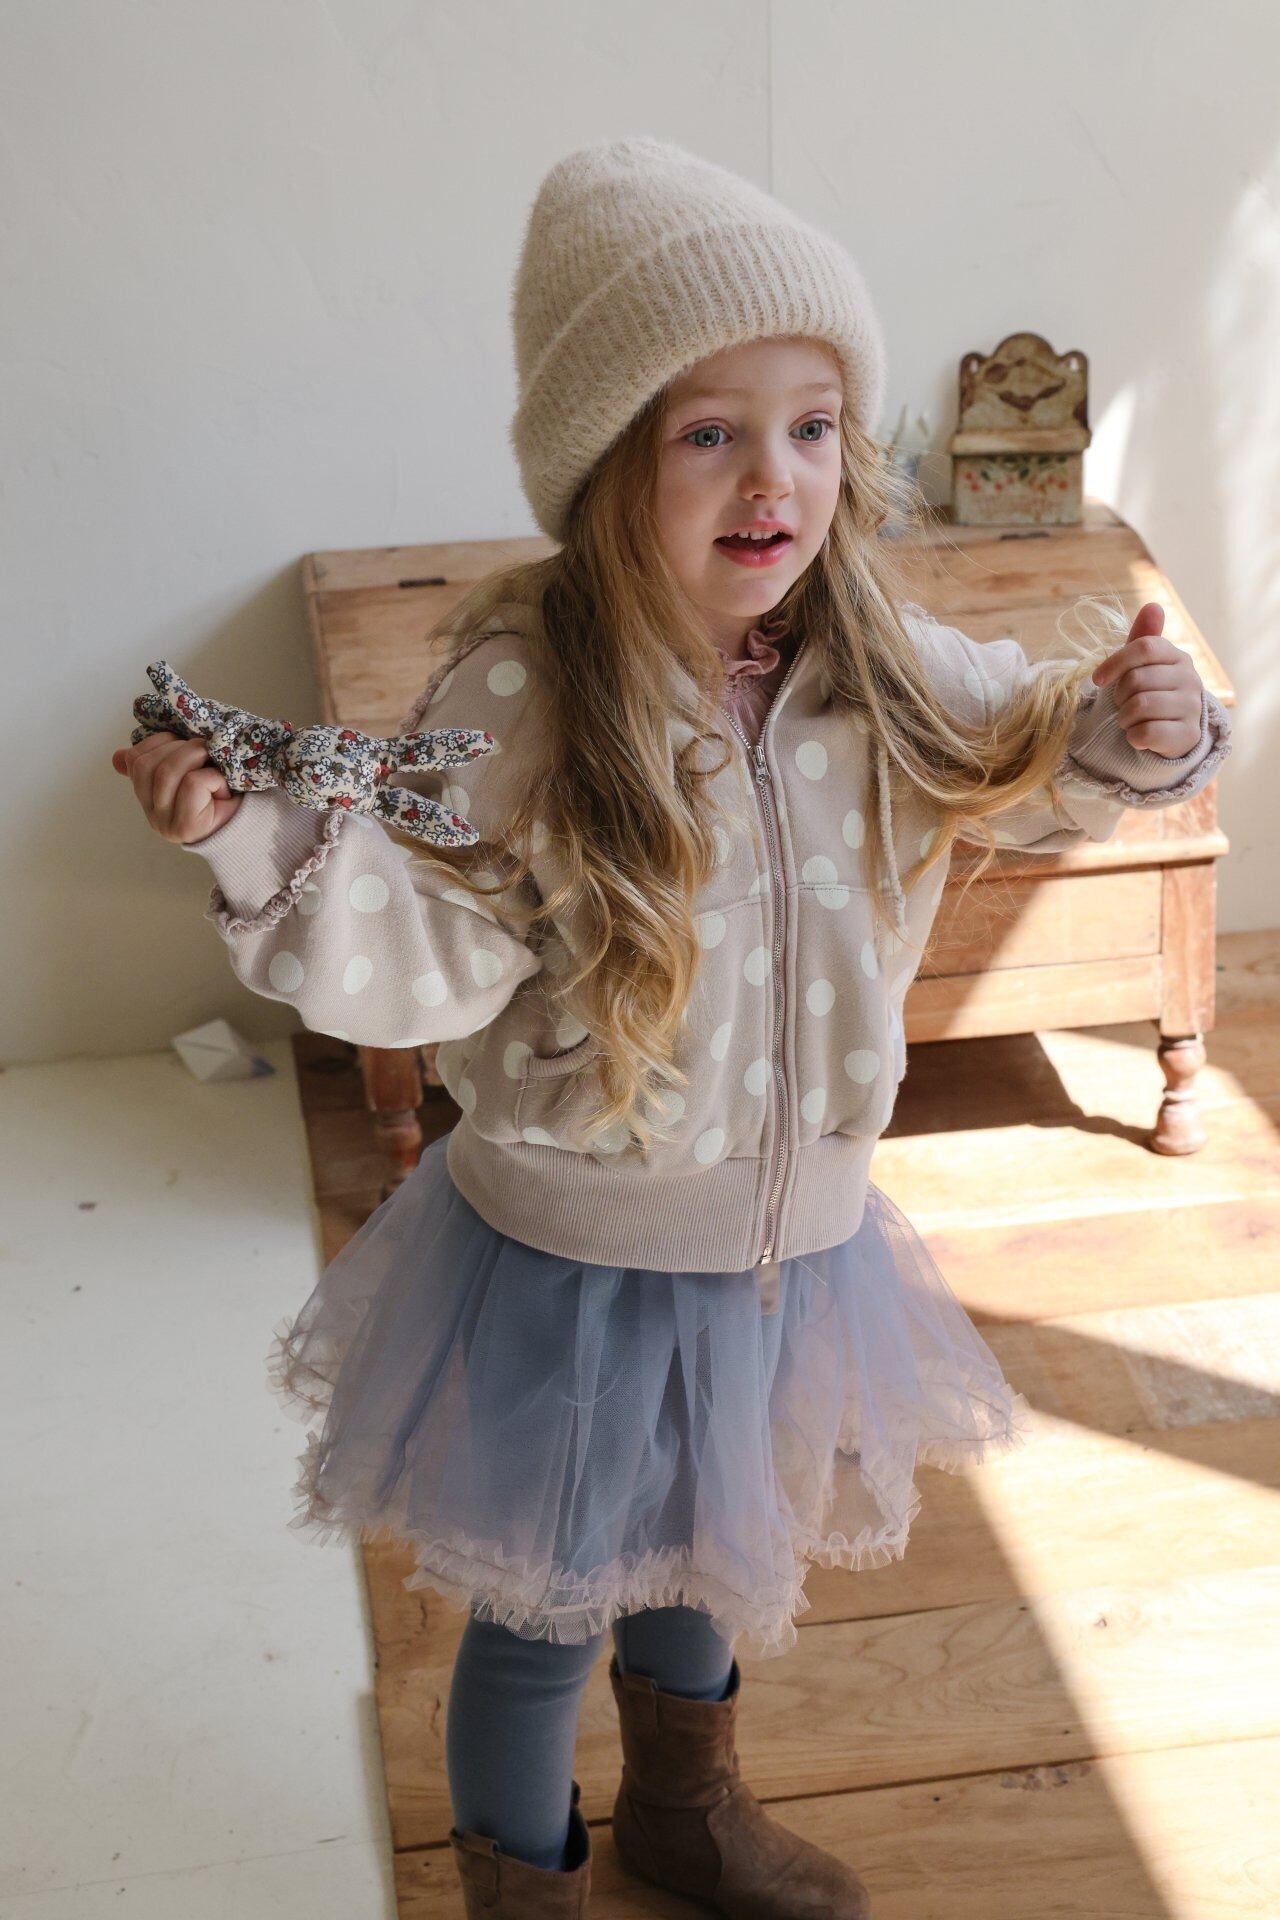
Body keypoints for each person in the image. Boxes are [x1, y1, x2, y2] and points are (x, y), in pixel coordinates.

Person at [112, 138, 1232, 1919]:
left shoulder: (874, 653)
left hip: (791, 1246)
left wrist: (1132, 726)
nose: (772, 476)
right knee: (544, 1620)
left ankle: (684, 1814)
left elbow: (1025, 756)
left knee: (719, 1547)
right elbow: (428, 952)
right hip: (579, 1264)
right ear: (606, 462)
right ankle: (526, 1887)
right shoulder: (528, 689)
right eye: (709, 432)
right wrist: (254, 840)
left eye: (811, 425)